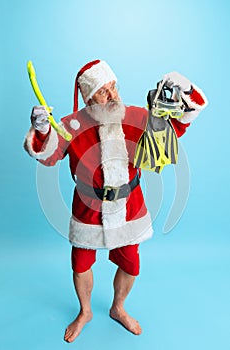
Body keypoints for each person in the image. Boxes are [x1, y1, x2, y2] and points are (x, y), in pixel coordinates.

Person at [24, 59, 207, 342]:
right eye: (102, 91)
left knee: (131, 264)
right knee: (81, 264)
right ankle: (85, 312)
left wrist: (186, 90)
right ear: (88, 97)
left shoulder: (134, 116)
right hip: (87, 209)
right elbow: (47, 156)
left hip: (129, 209)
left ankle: (118, 308)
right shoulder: (71, 125)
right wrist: (43, 130)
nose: (112, 96)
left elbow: (176, 127)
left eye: (113, 88)